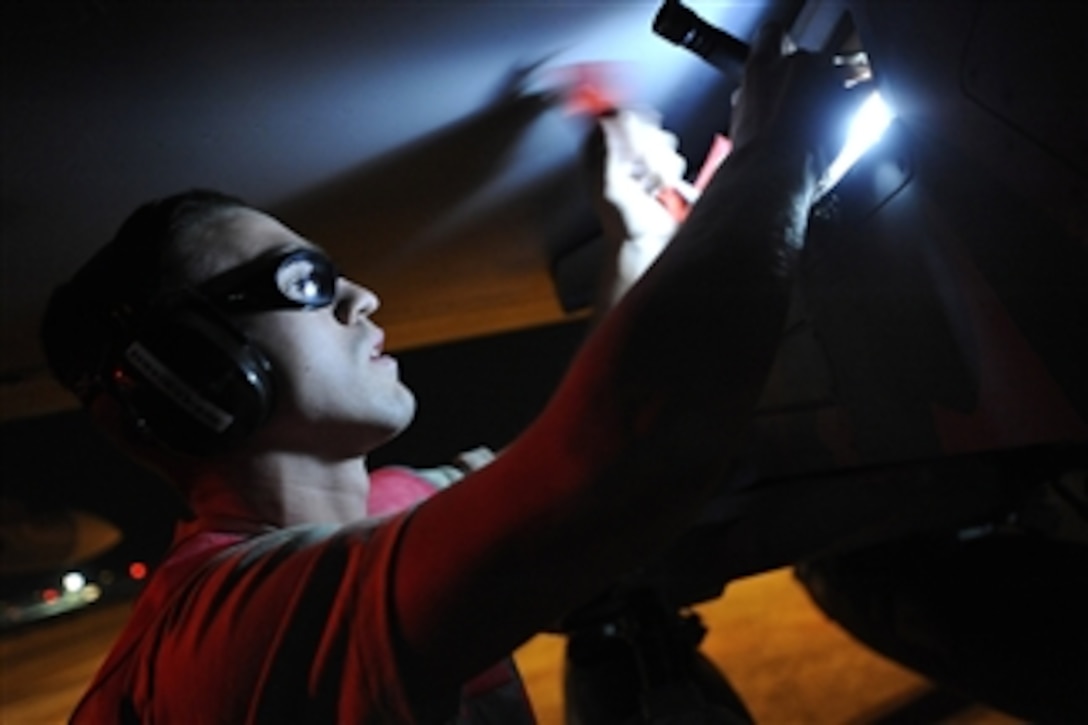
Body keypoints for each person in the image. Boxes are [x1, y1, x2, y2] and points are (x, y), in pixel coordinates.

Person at [43, 24, 855, 723]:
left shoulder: (382, 511)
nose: (360, 297)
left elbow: (562, 464)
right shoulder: (225, 633)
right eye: (302, 282)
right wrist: (777, 152)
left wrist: (634, 234)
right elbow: (623, 457)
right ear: (193, 374)